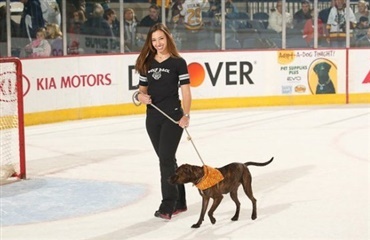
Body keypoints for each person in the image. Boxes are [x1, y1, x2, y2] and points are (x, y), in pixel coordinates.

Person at [133, 23, 191, 220]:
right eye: (154, 40)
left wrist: (186, 115)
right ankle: (181, 201)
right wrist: (139, 97)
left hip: (173, 118)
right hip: (153, 118)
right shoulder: (146, 62)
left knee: (165, 159)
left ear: (168, 39)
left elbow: (186, 90)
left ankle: (167, 205)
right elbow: (141, 91)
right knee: (168, 160)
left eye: (161, 39)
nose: (158, 43)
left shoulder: (178, 62)